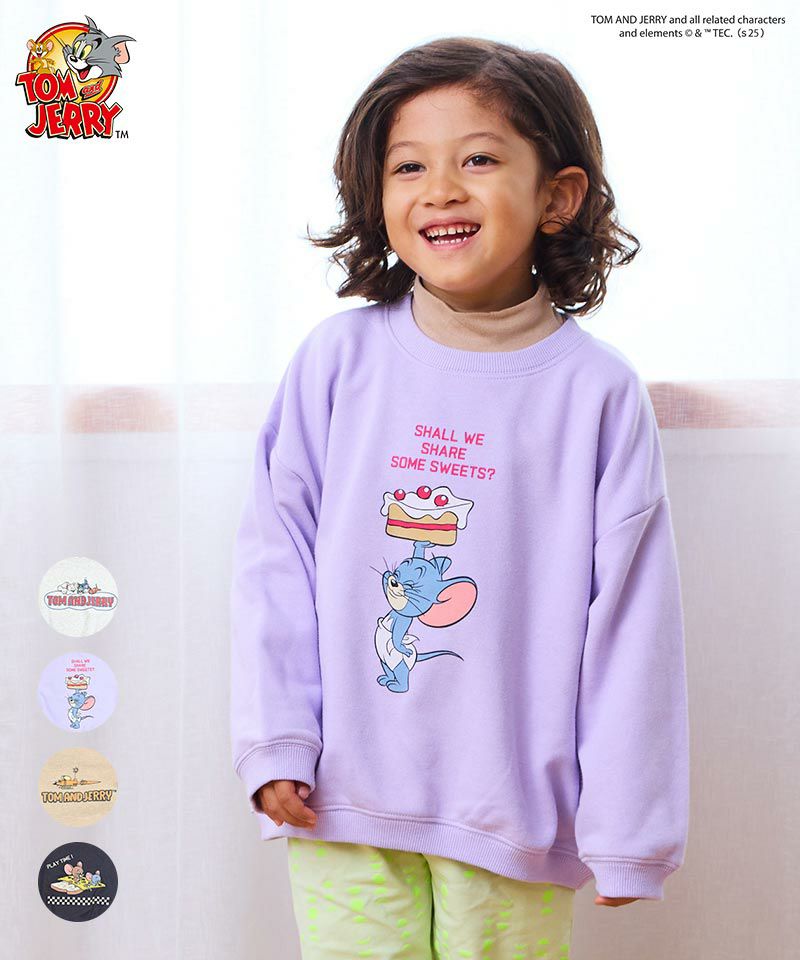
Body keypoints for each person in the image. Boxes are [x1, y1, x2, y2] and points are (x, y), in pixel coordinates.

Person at [229, 36, 689, 959]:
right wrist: (275, 738)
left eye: (477, 159)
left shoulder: (595, 393)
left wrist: (629, 826)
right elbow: (275, 560)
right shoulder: (336, 364)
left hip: (512, 810)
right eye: (409, 166)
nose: (440, 189)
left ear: (558, 196)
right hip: (342, 798)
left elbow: (634, 622)